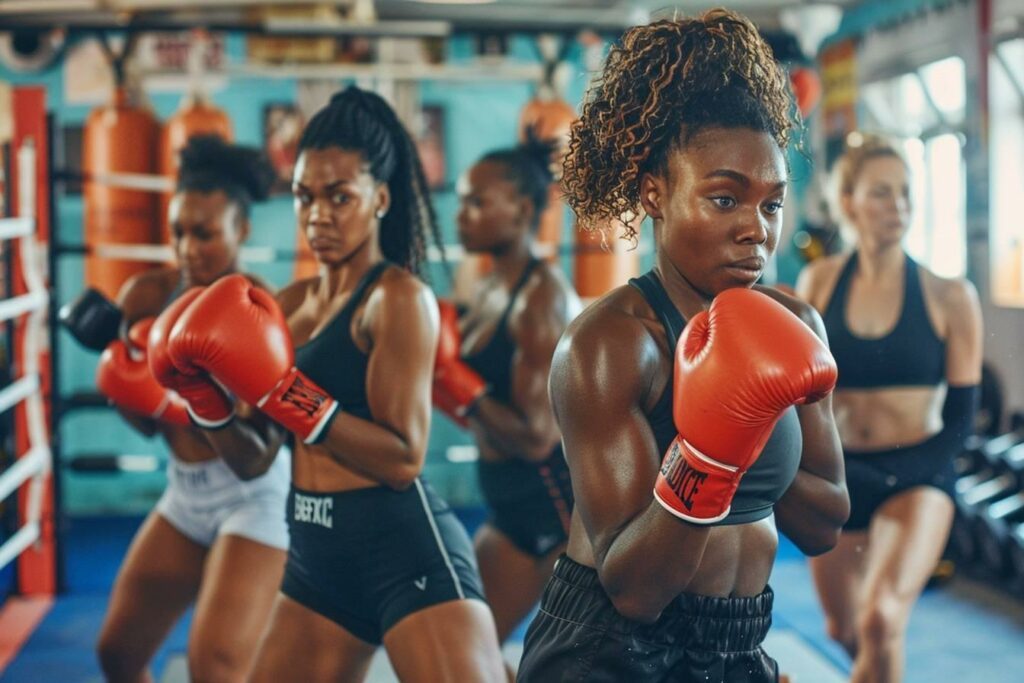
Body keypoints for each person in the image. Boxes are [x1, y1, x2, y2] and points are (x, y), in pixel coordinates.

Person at [515, 9, 851, 682]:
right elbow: (634, 588)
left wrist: (750, 418)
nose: (755, 229)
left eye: (771, 205)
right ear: (655, 193)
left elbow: (823, 523)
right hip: (608, 650)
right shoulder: (610, 345)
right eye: (725, 199)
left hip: (733, 642)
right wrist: (710, 453)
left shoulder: (795, 324)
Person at [152, 86, 506, 682]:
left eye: (340, 196)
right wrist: (205, 402)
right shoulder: (284, 307)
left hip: (402, 550)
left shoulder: (398, 299)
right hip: (316, 553)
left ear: (380, 198)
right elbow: (254, 460)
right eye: (304, 196)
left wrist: (285, 390)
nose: (319, 214)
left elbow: (401, 458)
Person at [90, 135, 288, 683]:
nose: (186, 249)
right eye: (178, 231)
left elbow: (260, 458)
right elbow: (144, 428)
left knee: (216, 668)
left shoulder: (262, 312)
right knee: (117, 654)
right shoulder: (145, 297)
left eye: (204, 234)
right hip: (185, 493)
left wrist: (184, 401)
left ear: (241, 231)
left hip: (255, 498)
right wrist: (122, 382)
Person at [798, 133, 982, 683]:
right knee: (847, 631)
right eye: (881, 192)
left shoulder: (949, 295)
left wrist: (915, 471)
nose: (898, 206)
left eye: (905, 193)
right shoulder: (819, 283)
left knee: (882, 620)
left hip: (918, 475)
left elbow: (963, 418)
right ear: (848, 200)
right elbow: (807, 397)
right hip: (842, 475)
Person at [433, 138, 581, 647]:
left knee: (571, 665)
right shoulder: (489, 283)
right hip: (510, 503)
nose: (462, 215)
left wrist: (459, 386)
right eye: (462, 201)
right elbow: (484, 407)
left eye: (477, 202)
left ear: (521, 210)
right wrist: (448, 388)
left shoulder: (539, 300)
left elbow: (537, 436)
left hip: (553, 511)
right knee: (461, 648)